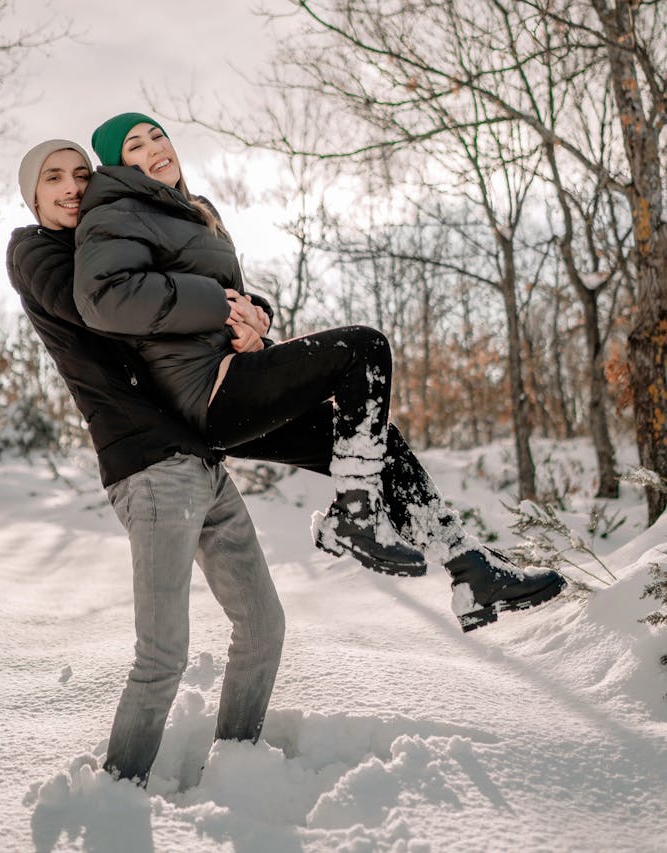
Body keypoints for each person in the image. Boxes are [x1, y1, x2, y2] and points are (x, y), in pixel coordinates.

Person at [72, 113, 566, 634]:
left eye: (157, 135)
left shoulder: (191, 211)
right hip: (205, 394)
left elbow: (212, 295)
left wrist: (253, 317)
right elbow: (107, 299)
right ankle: (355, 512)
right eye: (135, 145)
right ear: (117, 164)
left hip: (232, 376)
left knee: (377, 444)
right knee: (363, 349)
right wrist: (220, 305)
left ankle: (470, 570)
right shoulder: (117, 212)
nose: (154, 147)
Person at [6, 139, 285, 790]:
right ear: (33, 196)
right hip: (146, 463)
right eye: (54, 178)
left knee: (263, 623)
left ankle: (238, 761)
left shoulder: (108, 245)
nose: (73, 186)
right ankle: (117, 793)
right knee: (163, 655)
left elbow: (181, 285)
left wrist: (250, 310)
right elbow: (102, 310)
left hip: (198, 457)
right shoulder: (37, 252)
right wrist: (197, 297)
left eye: (83, 174)